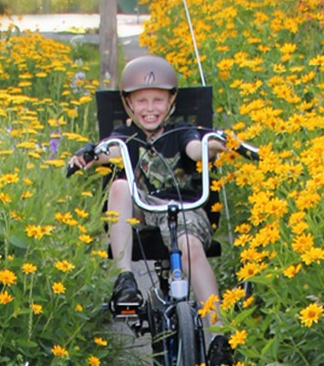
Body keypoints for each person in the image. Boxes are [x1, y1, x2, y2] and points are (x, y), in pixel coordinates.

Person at [66, 55, 225, 321]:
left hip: (182, 210)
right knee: (119, 186)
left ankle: (218, 332)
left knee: (191, 248)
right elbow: (111, 150)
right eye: (141, 101)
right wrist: (91, 156)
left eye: (158, 100)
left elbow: (195, 149)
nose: (150, 108)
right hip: (142, 210)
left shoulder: (181, 131)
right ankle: (125, 279)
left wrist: (210, 147)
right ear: (128, 103)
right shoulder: (125, 137)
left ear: (171, 101)